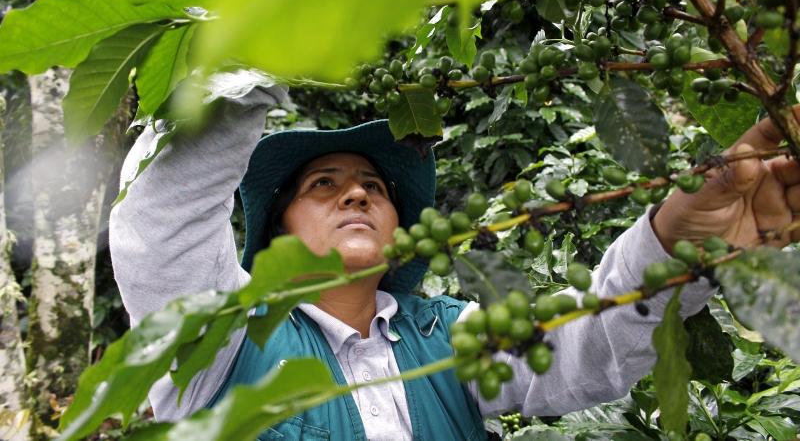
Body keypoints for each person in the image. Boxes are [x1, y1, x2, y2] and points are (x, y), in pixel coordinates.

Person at [109, 70, 800, 440]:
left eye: (374, 188)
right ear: (278, 234)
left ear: (397, 232)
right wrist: (248, 61)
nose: (356, 194)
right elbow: (159, 222)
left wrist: (675, 251)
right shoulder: (224, 336)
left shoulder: (449, 333)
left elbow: (586, 344)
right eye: (324, 184)